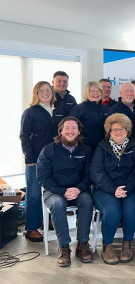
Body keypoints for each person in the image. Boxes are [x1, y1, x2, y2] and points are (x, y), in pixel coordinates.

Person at [36, 117, 94, 267]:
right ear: (60, 131)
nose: (70, 131)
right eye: (67, 128)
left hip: (79, 191)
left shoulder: (86, 150)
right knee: (57, 203)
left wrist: (79, 188)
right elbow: (42, 177)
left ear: (79, 131)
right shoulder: (48, 150)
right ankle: (64, 247)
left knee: (87, 200)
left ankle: (82, 244)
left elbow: (90, 175)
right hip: (54, 191)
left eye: (74, 128)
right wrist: (62, 191)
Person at [91, 113, 135, 264]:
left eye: (122, 129)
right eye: (115, 130)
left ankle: (127, 244)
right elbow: (96, 172)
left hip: (129, 188)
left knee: (130, 210)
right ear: (109, 132)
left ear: (128, 130)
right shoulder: (101, 148)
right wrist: (113, 189)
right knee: (113, 211)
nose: (118, 132)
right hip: (105, 189)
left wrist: (127, 187)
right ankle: (107, 246)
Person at [20, 81, 62, 242]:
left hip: (55, 158)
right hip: (35, 159)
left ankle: (49, 219)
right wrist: (29, 158)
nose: (45, 93)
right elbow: (24, 136)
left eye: (48, 90)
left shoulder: (57, 110)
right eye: (41, 90)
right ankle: (31, 227)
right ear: (36, 94)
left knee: (53, 190)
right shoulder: (30, 112)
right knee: (34, 193)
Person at [70, 81, 109, 150]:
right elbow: (72, 130)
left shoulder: (106, 109)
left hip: (104, 148)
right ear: (87, 92)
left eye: (98, 91)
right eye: (92, 91)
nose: (95, 93)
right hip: (86, 148)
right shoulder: (79, 109)